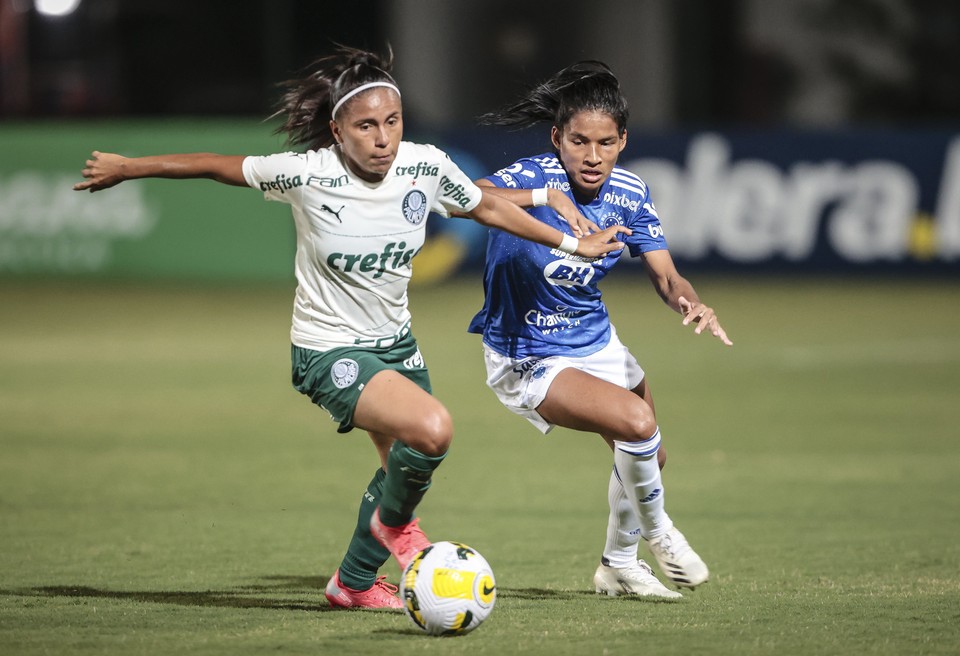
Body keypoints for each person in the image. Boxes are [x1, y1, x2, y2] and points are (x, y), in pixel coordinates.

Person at [73, 47, 627, 610]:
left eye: (392, 122)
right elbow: (216, 164)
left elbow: (483, 207)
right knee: (432, 430)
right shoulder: (307, 174)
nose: (383, 137)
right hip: (327, 350)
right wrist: (129, 167)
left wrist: (570, 239)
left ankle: (354, 584)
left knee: (408, 465)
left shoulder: (424, 166)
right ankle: (398, 533)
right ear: (338, 130)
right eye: (366, 126)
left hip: (399, 346)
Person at [468, 61, 733, 600]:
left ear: (623, 141)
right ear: (557, 138)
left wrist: (691, 301)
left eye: (606, 143)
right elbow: (466, 196)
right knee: (638, 423)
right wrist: (547, 200)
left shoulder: (631, 192)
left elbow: (665, 274)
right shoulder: (531, 177)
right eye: (579, 141)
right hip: (528, 352)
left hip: (596, 341)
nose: (592, 157)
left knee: (649, 455)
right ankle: (662, 535)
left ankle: (618, 566)